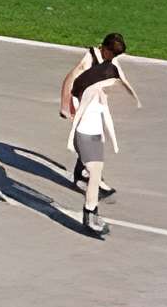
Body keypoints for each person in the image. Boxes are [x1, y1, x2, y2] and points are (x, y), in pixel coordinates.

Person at [58, 32, 137, 238]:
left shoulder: (109, 66)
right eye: (114, 54)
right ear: (106, 49)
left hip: (94, 116)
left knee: (93, 163)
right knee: (93, 168)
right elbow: (70, 80)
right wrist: (65, 105)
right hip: (83, 117)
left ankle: (84, 177)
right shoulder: (90, 59)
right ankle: (89, 213)